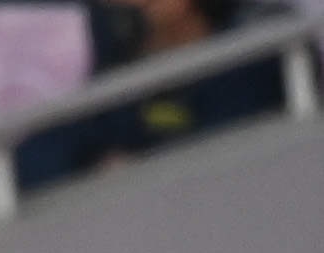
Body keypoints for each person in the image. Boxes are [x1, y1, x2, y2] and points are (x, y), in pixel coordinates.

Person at [18, 1, 293, 189]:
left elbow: (226, 161)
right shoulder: (121, 69)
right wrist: (98, 171)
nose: (112, 6)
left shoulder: (258, 54)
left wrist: (137, 169)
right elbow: (31, 163)